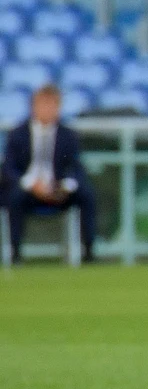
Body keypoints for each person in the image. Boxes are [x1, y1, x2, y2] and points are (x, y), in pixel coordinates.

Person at [3, 84, 96, 264]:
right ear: (34, 106)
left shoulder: (68, 135)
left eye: (51, 105)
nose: (47, 109)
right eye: (43, 104)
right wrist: (31, 184)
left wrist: (66, 185)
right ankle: (15, 254)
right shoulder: (17, 134)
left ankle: (89, 253)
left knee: (87, 194)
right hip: (28, 190)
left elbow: (76, 167)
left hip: (58, 189)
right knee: (13, 196)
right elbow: (9, 169)